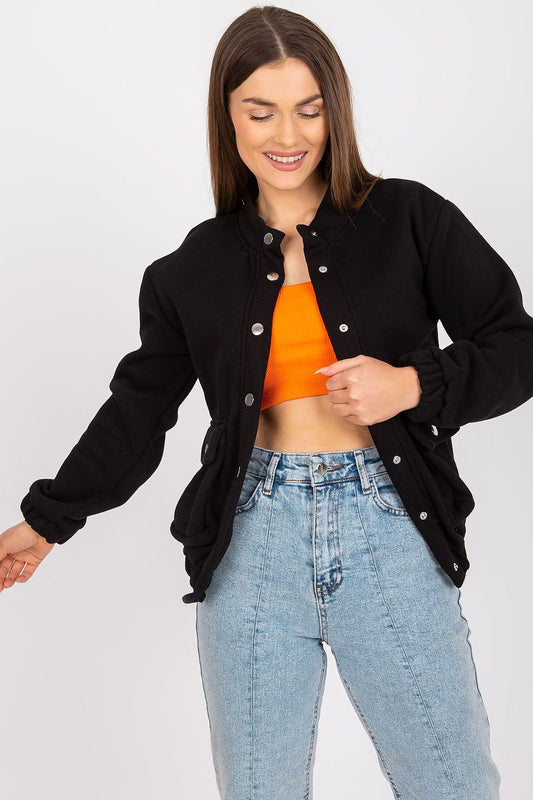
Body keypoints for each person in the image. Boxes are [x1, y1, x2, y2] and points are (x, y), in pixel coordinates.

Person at [3, 4, 533, 798]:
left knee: (450, 782)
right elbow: (137, 411)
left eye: (308, 110)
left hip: (387, 528)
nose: (288, 135)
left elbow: (515, 345)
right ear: (227, 118)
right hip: (250, 543)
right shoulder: (189, 270)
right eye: (260, 111)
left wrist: (411, 385)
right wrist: (47, 521)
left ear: (334, 112)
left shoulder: (409, 218)